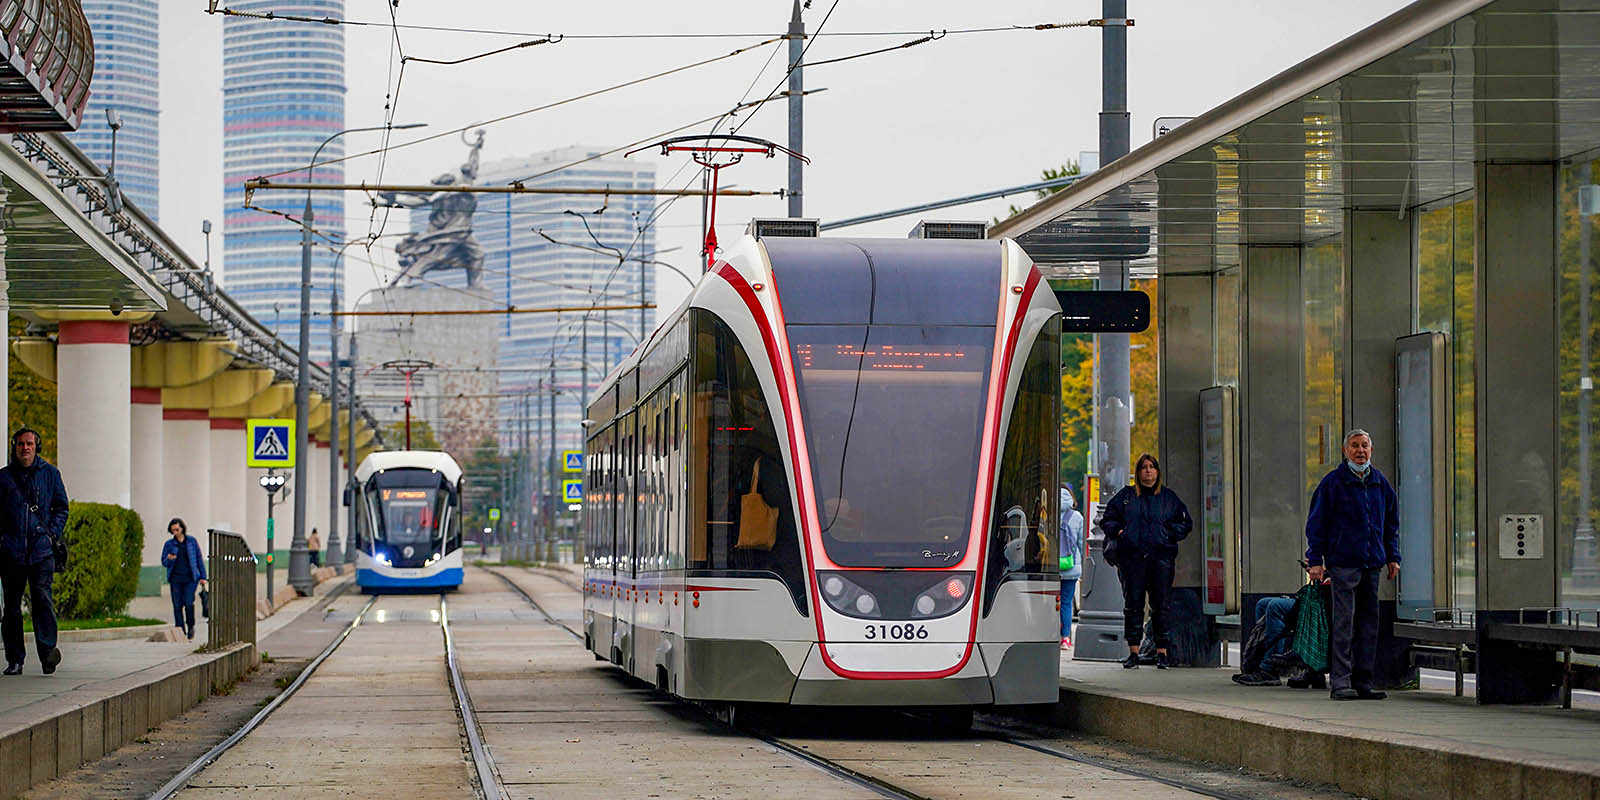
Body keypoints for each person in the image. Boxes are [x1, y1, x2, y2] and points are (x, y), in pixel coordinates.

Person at [1305, 428, 1399, 701]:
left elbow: (1391, 524)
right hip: (1343, 564)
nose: (1360, 451)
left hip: (1372, 564)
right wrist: (1315, 560)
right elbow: (1317, 524)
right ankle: (1341, 682)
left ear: (1372, 450)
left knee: (1369, 624)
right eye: (1355, 446)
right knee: (1344, 623)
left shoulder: (1380, 483)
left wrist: (1393, 556)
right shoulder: (1333, 483)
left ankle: (1364, 681)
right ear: (1345, 451)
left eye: (1365, 446)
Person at [1099, 453, 1192, 670]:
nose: (1148, 471)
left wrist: (1168, 534)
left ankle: (1162, 652)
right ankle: (1133, 652)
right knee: (1133, 606)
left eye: (1151, 467)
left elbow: (1185, 523)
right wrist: (1121, 532)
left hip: (1161, 559)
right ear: (1138, 472)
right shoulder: (1127, 497)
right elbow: (1107, 519)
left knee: (1161, 606)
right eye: (1144, 468)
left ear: (1157, 472)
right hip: (1132, 560)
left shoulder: (1169, 498)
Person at [0, 428, 69, 675]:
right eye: (20, 444)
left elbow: (62, 508)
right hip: (10, 553)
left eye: (29, 444)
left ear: (36, 446)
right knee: (11, 608)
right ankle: (15, 659)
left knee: (42, 601)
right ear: (14, 447)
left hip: (41, 552)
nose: (25, 448)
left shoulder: (50, 474)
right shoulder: (4, 478)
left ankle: (47, 654)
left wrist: (50, 532)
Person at [161, 518, 207, 640]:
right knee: (177, 605)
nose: (175, 532)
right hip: (175, 578)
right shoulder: (169, 544)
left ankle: (191, 626)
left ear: (182, 528)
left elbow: (198, 559)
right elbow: (164, 562)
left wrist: (203, 576)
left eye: (177, 529)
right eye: (173, 531)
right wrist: (169, 558)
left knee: (188, 602)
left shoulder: (191, 541)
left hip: (190, 578)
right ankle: (180, 629)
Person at [1059, 485, 1084, 651]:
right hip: (1070, 567)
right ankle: (1065, 638)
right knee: (1066, 603)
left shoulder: (1048, 513)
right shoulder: (1077, 517)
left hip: (1050, 567)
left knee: (1048, 603)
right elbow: (1081, 543)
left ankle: (1049, 633)